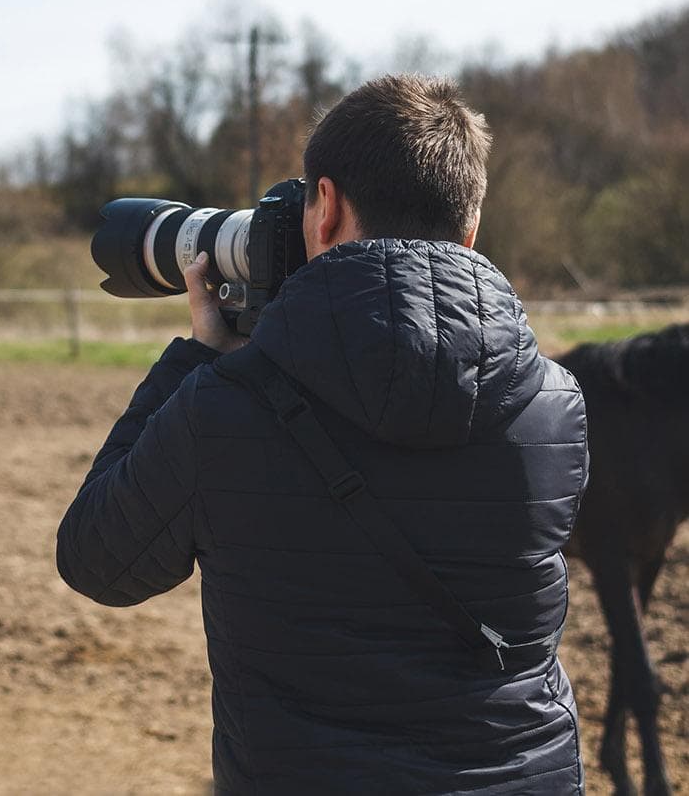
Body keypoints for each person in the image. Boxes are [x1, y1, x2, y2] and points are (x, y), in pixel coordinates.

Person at [56, 75, 586, 795]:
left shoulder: (224, 409)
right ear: (470, 228)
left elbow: (96, 558)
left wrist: (196, 357)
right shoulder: (552, 407)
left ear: (326, 207)